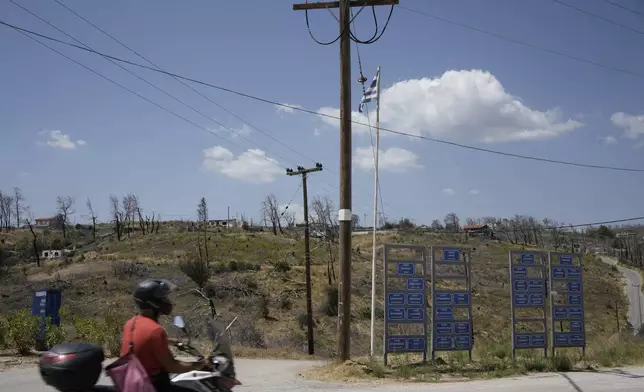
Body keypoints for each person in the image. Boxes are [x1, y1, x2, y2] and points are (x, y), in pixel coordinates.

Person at [121, 278, 209, 392]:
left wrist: (171, 341)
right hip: (153, 385)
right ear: (153, 302)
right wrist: (198, 365)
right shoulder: (155, 330)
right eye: (163, 298)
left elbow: (143, 340)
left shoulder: (131, 323)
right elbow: (172, 366)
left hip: (134, 382)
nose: (167, 301)